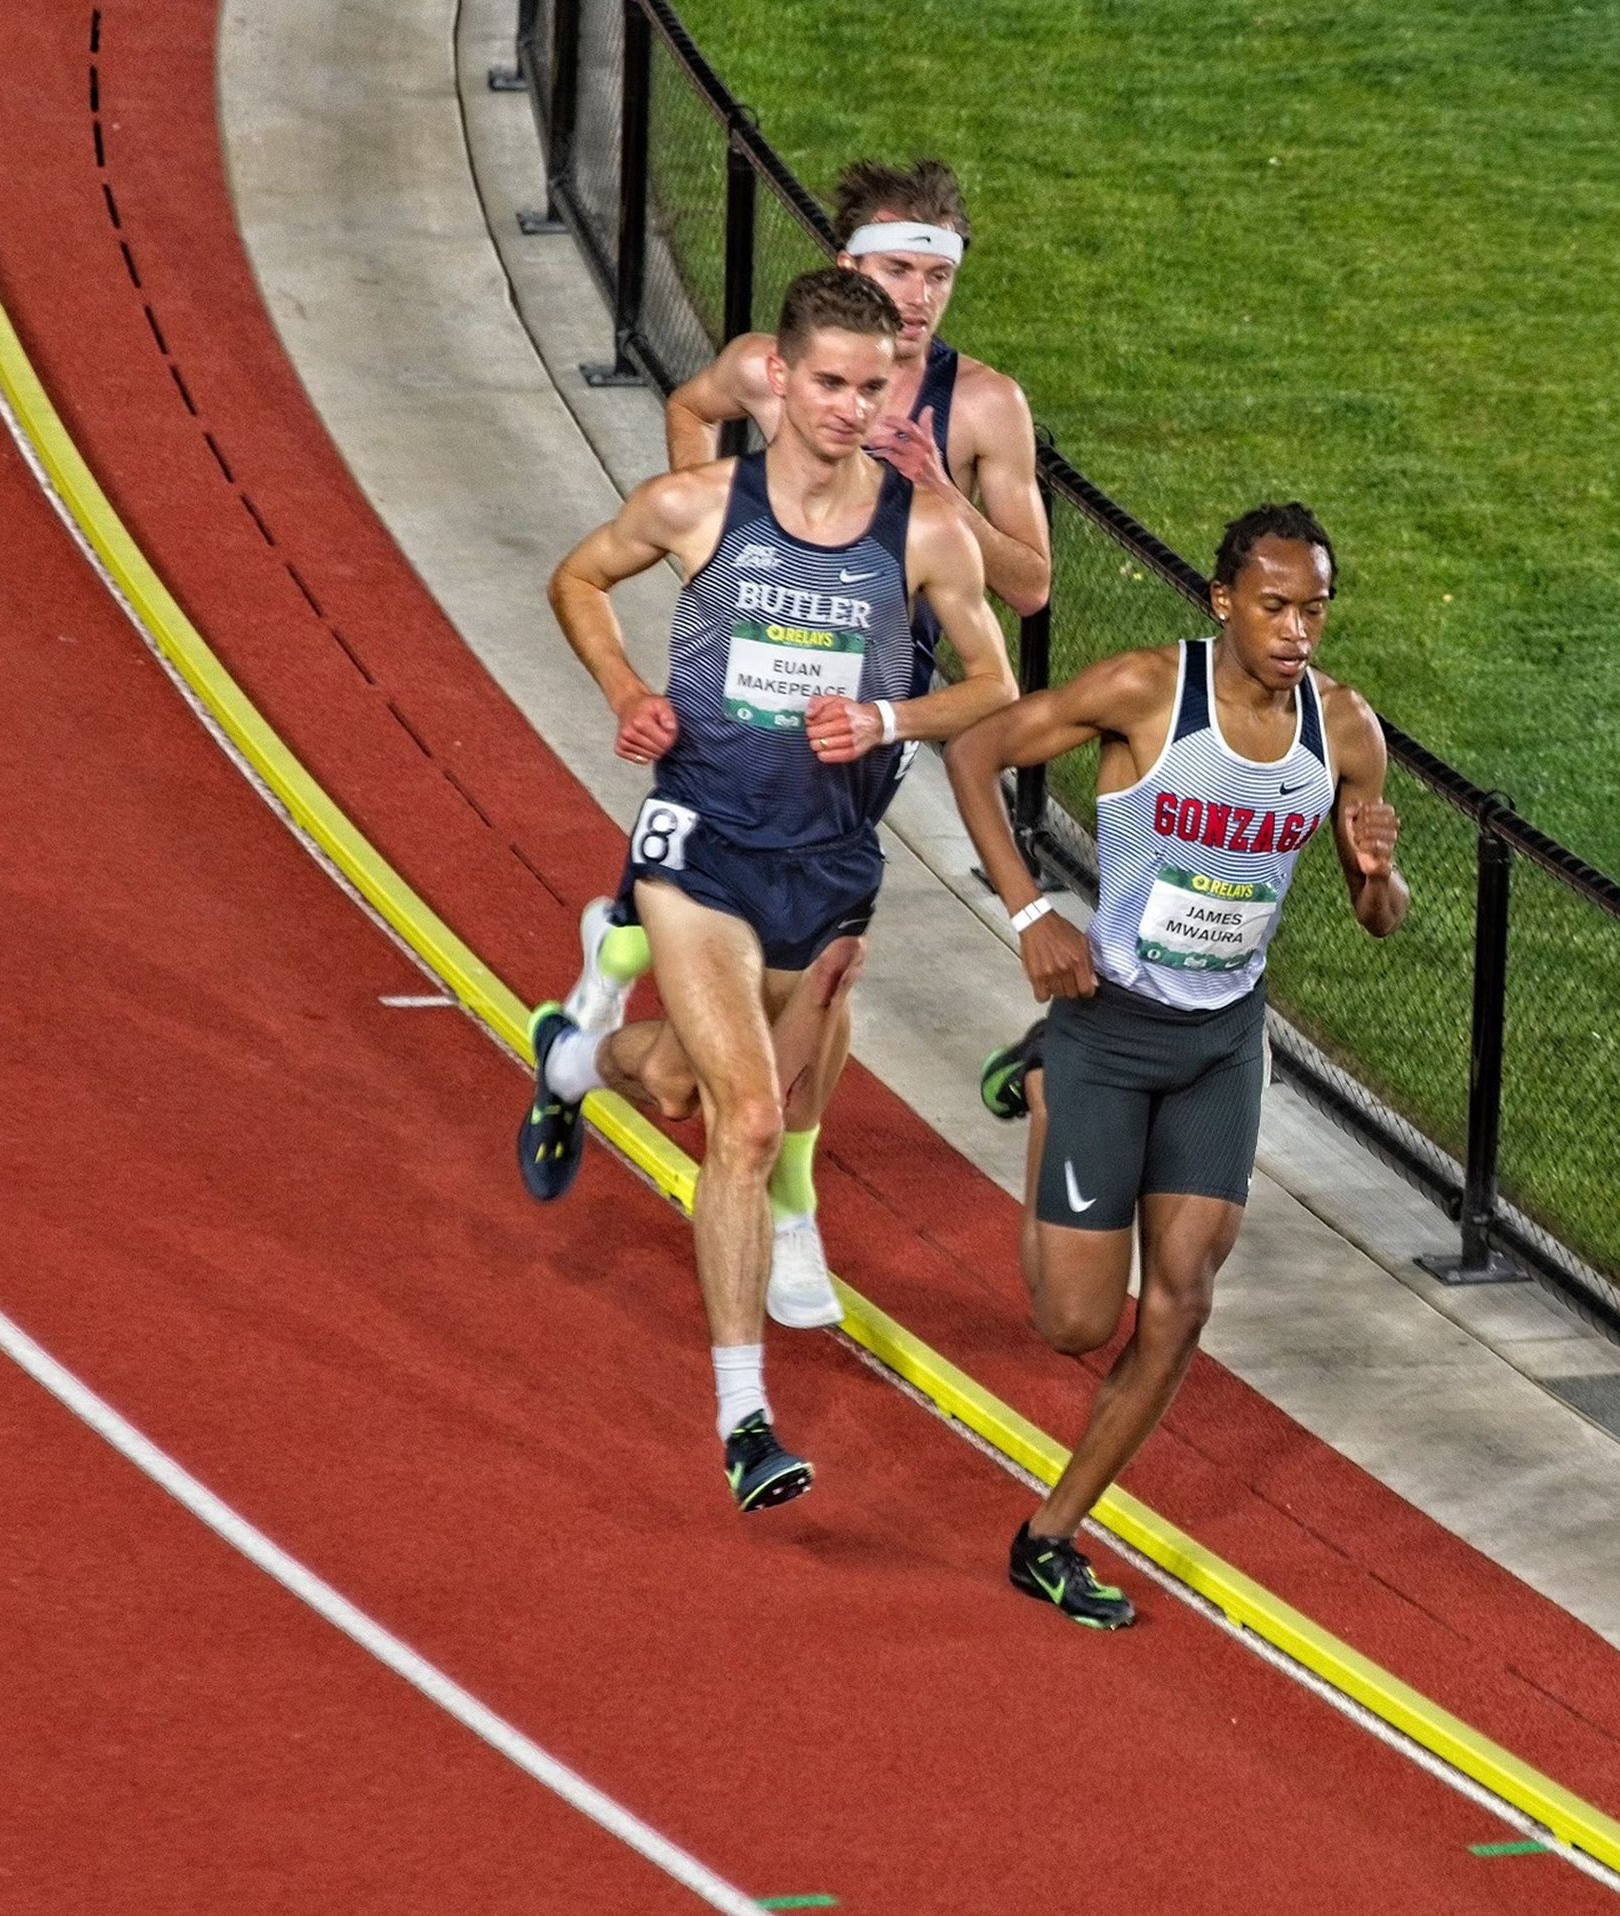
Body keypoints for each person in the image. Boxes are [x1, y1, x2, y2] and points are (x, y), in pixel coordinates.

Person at [520, 268, 1017, 1512]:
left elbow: (993, 684)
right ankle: (745, 1418)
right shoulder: (694, 505)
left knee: (687, 1086)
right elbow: (577, 579)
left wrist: (890, 714)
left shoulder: (926, 532)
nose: (855, 408)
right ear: (779, 378)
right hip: (702, 843)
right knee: (745, 1120)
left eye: (876, 385)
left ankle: (577, 1061)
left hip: (832, 861)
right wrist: (631, 695)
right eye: (834, 384)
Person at [945, 502, 1406, 1625]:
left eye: (1316, 607)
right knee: (1073, 1324)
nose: (1299, 628)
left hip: (1219, 1042)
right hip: (1107, 1025)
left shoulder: (1345, 733)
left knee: (1183, 1301)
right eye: (1275, 604)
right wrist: (1028, 917)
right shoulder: (1150, 690)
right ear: (1223, 602)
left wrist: (1372, 877)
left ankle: (1048, 1534)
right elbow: (974, 749)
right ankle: (1048, 1084)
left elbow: (1379, 915)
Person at [659, 157, 1052, 1322]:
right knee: (760, 966)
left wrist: (947, 493)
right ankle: (629, 1011)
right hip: (741, 700)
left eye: (937, 274)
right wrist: (718, 565)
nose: (920, 295)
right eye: (896, 269)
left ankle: (785, 1201)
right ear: (845, 269)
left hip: (864, 728)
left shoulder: (983, 408)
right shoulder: (788, 369)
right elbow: (694, 408)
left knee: (821, 969)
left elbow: (1027, 589)